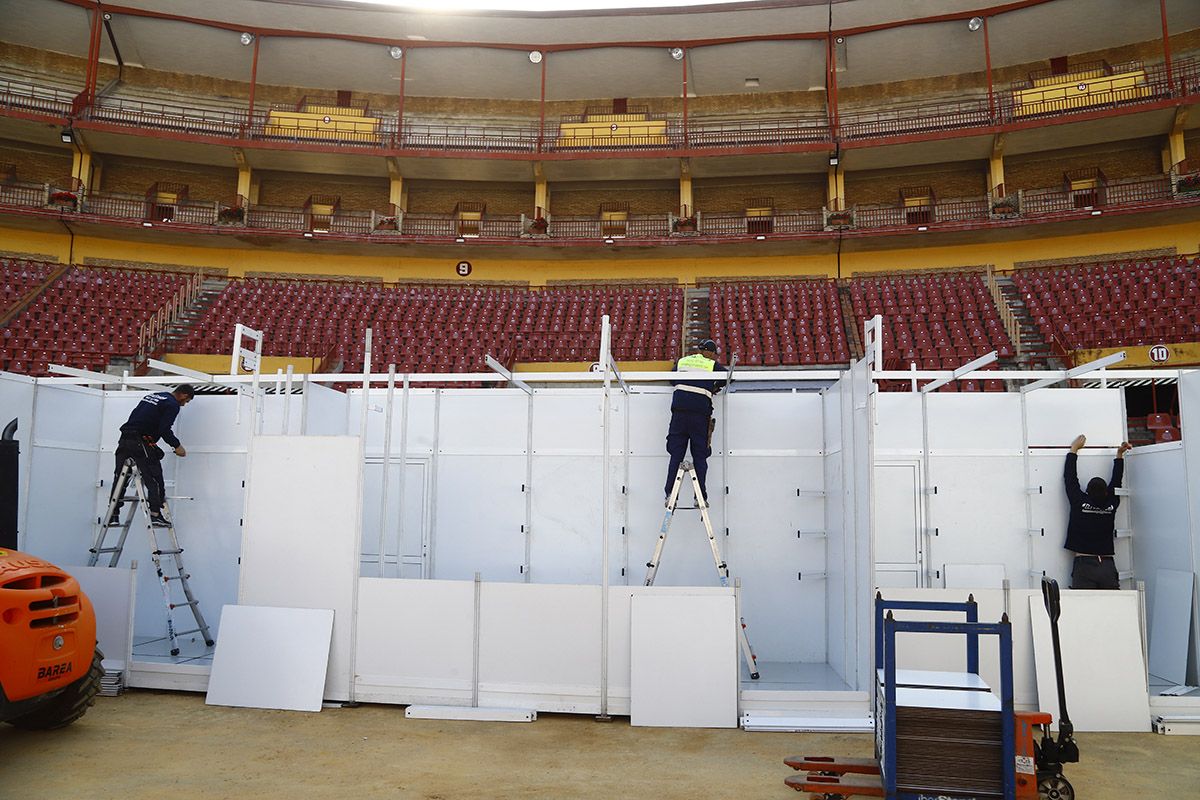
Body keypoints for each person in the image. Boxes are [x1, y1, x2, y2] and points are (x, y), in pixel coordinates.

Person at [109, 385, 195, 527]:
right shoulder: (172, 404)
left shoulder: (153, 396)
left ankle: (113, 515)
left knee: (120, 479)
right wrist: (177, 446)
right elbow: (164, 429)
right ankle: (155, 515)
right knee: (154, 478)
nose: (184, 404)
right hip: (141, 441)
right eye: (186, 401)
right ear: (184, 395)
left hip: (125, 439)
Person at [1063, 434, 1132, 589]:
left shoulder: (1080, 502)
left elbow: (1070, 479)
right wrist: (1119, 455)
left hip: (1084, 564)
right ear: (1106, 493)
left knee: (1083, 608)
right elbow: (1116, 481)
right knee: (1111, 608)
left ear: (1086, 492)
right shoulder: (1111, 505)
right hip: (1107, 565)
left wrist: (1074, 449)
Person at [664, 339, 726, 505]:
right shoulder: (710, 364)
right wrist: (712, 387)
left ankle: (670, 495)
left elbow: (671, 379)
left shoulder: (683, 361)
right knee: (700, 456)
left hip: (679, 413)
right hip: (699, 415)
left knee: (676, 454)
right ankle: (700, 497)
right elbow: (727, 378)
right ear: (711, 353)